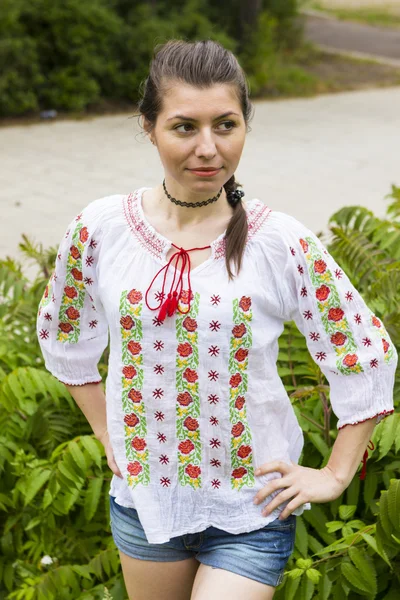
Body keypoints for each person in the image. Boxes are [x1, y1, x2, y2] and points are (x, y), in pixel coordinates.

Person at [36, 39, 397, 600]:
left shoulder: (278, 242)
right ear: (149, 127)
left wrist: (334, 475)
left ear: (245, 125)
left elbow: (364, 351)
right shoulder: (101, 228)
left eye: (225, 125)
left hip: (252, 510)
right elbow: (64, 338)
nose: (208, 148)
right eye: (185, 127)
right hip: (145, 506)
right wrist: (107, 432)